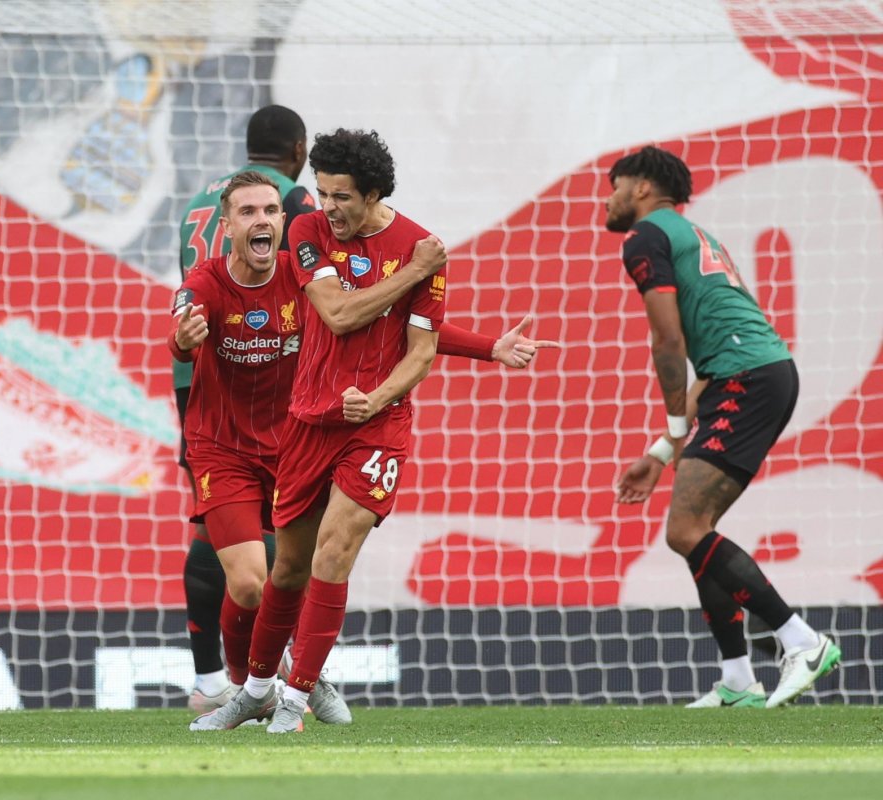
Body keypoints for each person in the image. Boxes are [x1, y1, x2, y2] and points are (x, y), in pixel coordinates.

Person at [191, 128, 558, 733]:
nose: (327, 206)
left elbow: (422, 350)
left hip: (379, 424)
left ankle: (294, 699)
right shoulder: (311, 232)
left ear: (373, 194)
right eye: (322, 192)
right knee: (289, 569)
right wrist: (412, 273)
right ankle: (255, 690)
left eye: (341, 196)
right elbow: (338, 314)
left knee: (335, 551)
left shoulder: (422, 248)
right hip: (308, 420)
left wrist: (383, 397)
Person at [606, 145, 839, 708]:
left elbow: (668, 341)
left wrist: (673, 418)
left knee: (685, 529)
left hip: (747, 378)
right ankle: (738, 680)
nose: (609, 199)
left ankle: (801, 641)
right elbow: (710, 357)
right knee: (696, 529)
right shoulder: (695, 236)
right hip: (751, 374)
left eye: (615, 186)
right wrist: (663, 450)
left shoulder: (645, 237)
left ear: (642, 188)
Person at [175, 105, 316, 713]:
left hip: (198, 378)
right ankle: (256, 676)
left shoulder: (200, 200)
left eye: (268, 213)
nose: (262, 218)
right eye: (251, 214)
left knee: (214, 535)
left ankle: (214, 680)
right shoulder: (297, 199)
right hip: (231, 377)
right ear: (298, 150)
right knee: (258, 551)